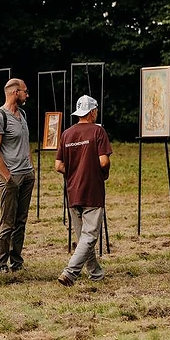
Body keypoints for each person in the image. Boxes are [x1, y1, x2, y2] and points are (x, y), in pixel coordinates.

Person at [55, 95, 112, 286]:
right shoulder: (98, 131)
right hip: (92, 190)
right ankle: (70, 273)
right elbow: (104, 161)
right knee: (90, 236)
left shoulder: (67, 134)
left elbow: (58, 165)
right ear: (92, 111)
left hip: (72, 191)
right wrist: (101, 173)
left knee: (83, 237)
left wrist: (74, 172)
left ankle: (95, 273)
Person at [0, 78, 35, 272]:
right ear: (15, 93)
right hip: (11, 177)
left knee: (21, 221)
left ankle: (17, 261)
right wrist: (7, 177)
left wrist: (31, 168)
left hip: (26, 175)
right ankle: (1, 262)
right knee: (7, 222)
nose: (27, 94)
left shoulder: (22, 114)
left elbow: (25, 143)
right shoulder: (0, 116)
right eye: (25, 91)